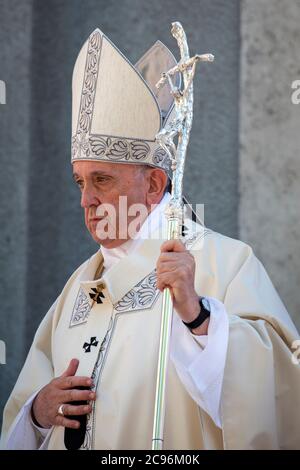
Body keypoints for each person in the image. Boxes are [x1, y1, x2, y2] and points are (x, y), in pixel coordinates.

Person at [1, 28, 300, 450]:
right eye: (80, 182)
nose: (86, 200)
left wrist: (198, 318)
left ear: (155, 184)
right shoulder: (75, 292)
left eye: (101, 180)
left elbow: (278, 387)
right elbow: (22, 413)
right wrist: (36, 413)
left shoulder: (225, 265)